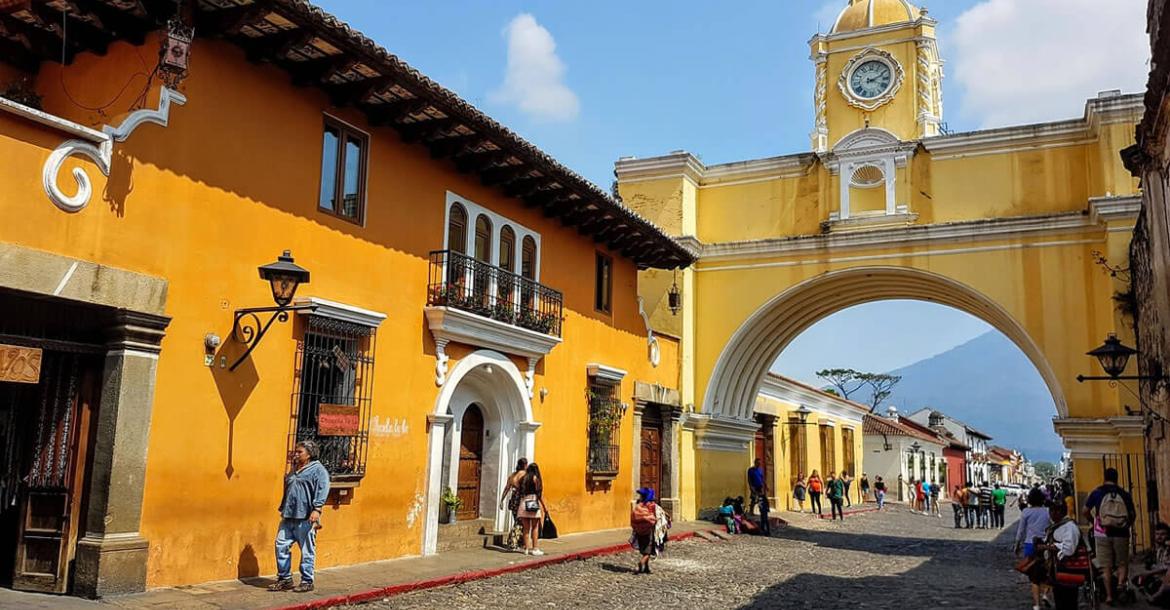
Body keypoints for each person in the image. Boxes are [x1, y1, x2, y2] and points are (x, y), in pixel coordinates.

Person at [270, 440, 329, 593]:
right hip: (289, 515)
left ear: (309, 454)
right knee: (280, 544)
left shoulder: (318, 470)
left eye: (299, 452)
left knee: (307, 550)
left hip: (306, 517)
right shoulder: (294, 469)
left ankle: (307, 580)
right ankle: (285, 579)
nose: (296, 454)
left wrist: (317, 509)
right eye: (295, 451)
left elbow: (322, 489)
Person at [1083, 467, 1137, 605]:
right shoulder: (1124, 494)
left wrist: (1095, 521)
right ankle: (1120, 585)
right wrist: (1126, 525)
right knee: (1122, 562)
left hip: (1102, 533)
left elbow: (1085, 511)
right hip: (1121, 533)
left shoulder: (1097, 492)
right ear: (1116, 478)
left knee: (1105, 566)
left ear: (1104, 477)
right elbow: (1132, 514)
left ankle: (1108, 596)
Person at [1041, 502, 1085, 610]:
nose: (1051, 514)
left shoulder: (1069, 527)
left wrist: (1050, 547)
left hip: (1068, 570)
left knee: (1069, 601)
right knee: (1060, 600)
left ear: (1060, 512)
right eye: (1050, 511)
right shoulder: (1056, 526)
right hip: (1057, 571)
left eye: (1053, 511)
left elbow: (1069, 549)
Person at [1015, 488, 1052, 610]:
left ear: (1030, 499)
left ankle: (1036, 605)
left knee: (1034, 576)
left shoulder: (1026, 512)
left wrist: (1017, 545)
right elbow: (1052, 527)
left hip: (1030, 545)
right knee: (1048, 572)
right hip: (1045, 545)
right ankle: (1046, 594)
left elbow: (1020, 530)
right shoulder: (1047, 511)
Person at [516, 463, 549, 556]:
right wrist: (545, 507)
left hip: (523, 503)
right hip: (533, 503)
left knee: (526, 528)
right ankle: (535, 548)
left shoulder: (523, 479)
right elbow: (539, 495)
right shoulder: (535, 479)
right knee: (535, 528)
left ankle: (526, 548)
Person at [499, 457, 528, 550]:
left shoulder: (512, 476)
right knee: (520, 522)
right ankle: (512, 542)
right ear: (525, 465)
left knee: (517, 520)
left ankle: (520, 542)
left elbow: (507, 488)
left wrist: (502, 499)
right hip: (521, 499)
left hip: (514, 499)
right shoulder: (524, 474)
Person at [630, 487, 660, 574]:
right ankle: (642, 562)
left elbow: (634, 517)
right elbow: (656, 517)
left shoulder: (638, 505)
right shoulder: (651, 506)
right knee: (649, 551)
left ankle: (646, 568)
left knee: (644, 548)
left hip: (639, 531)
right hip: (649, 531)